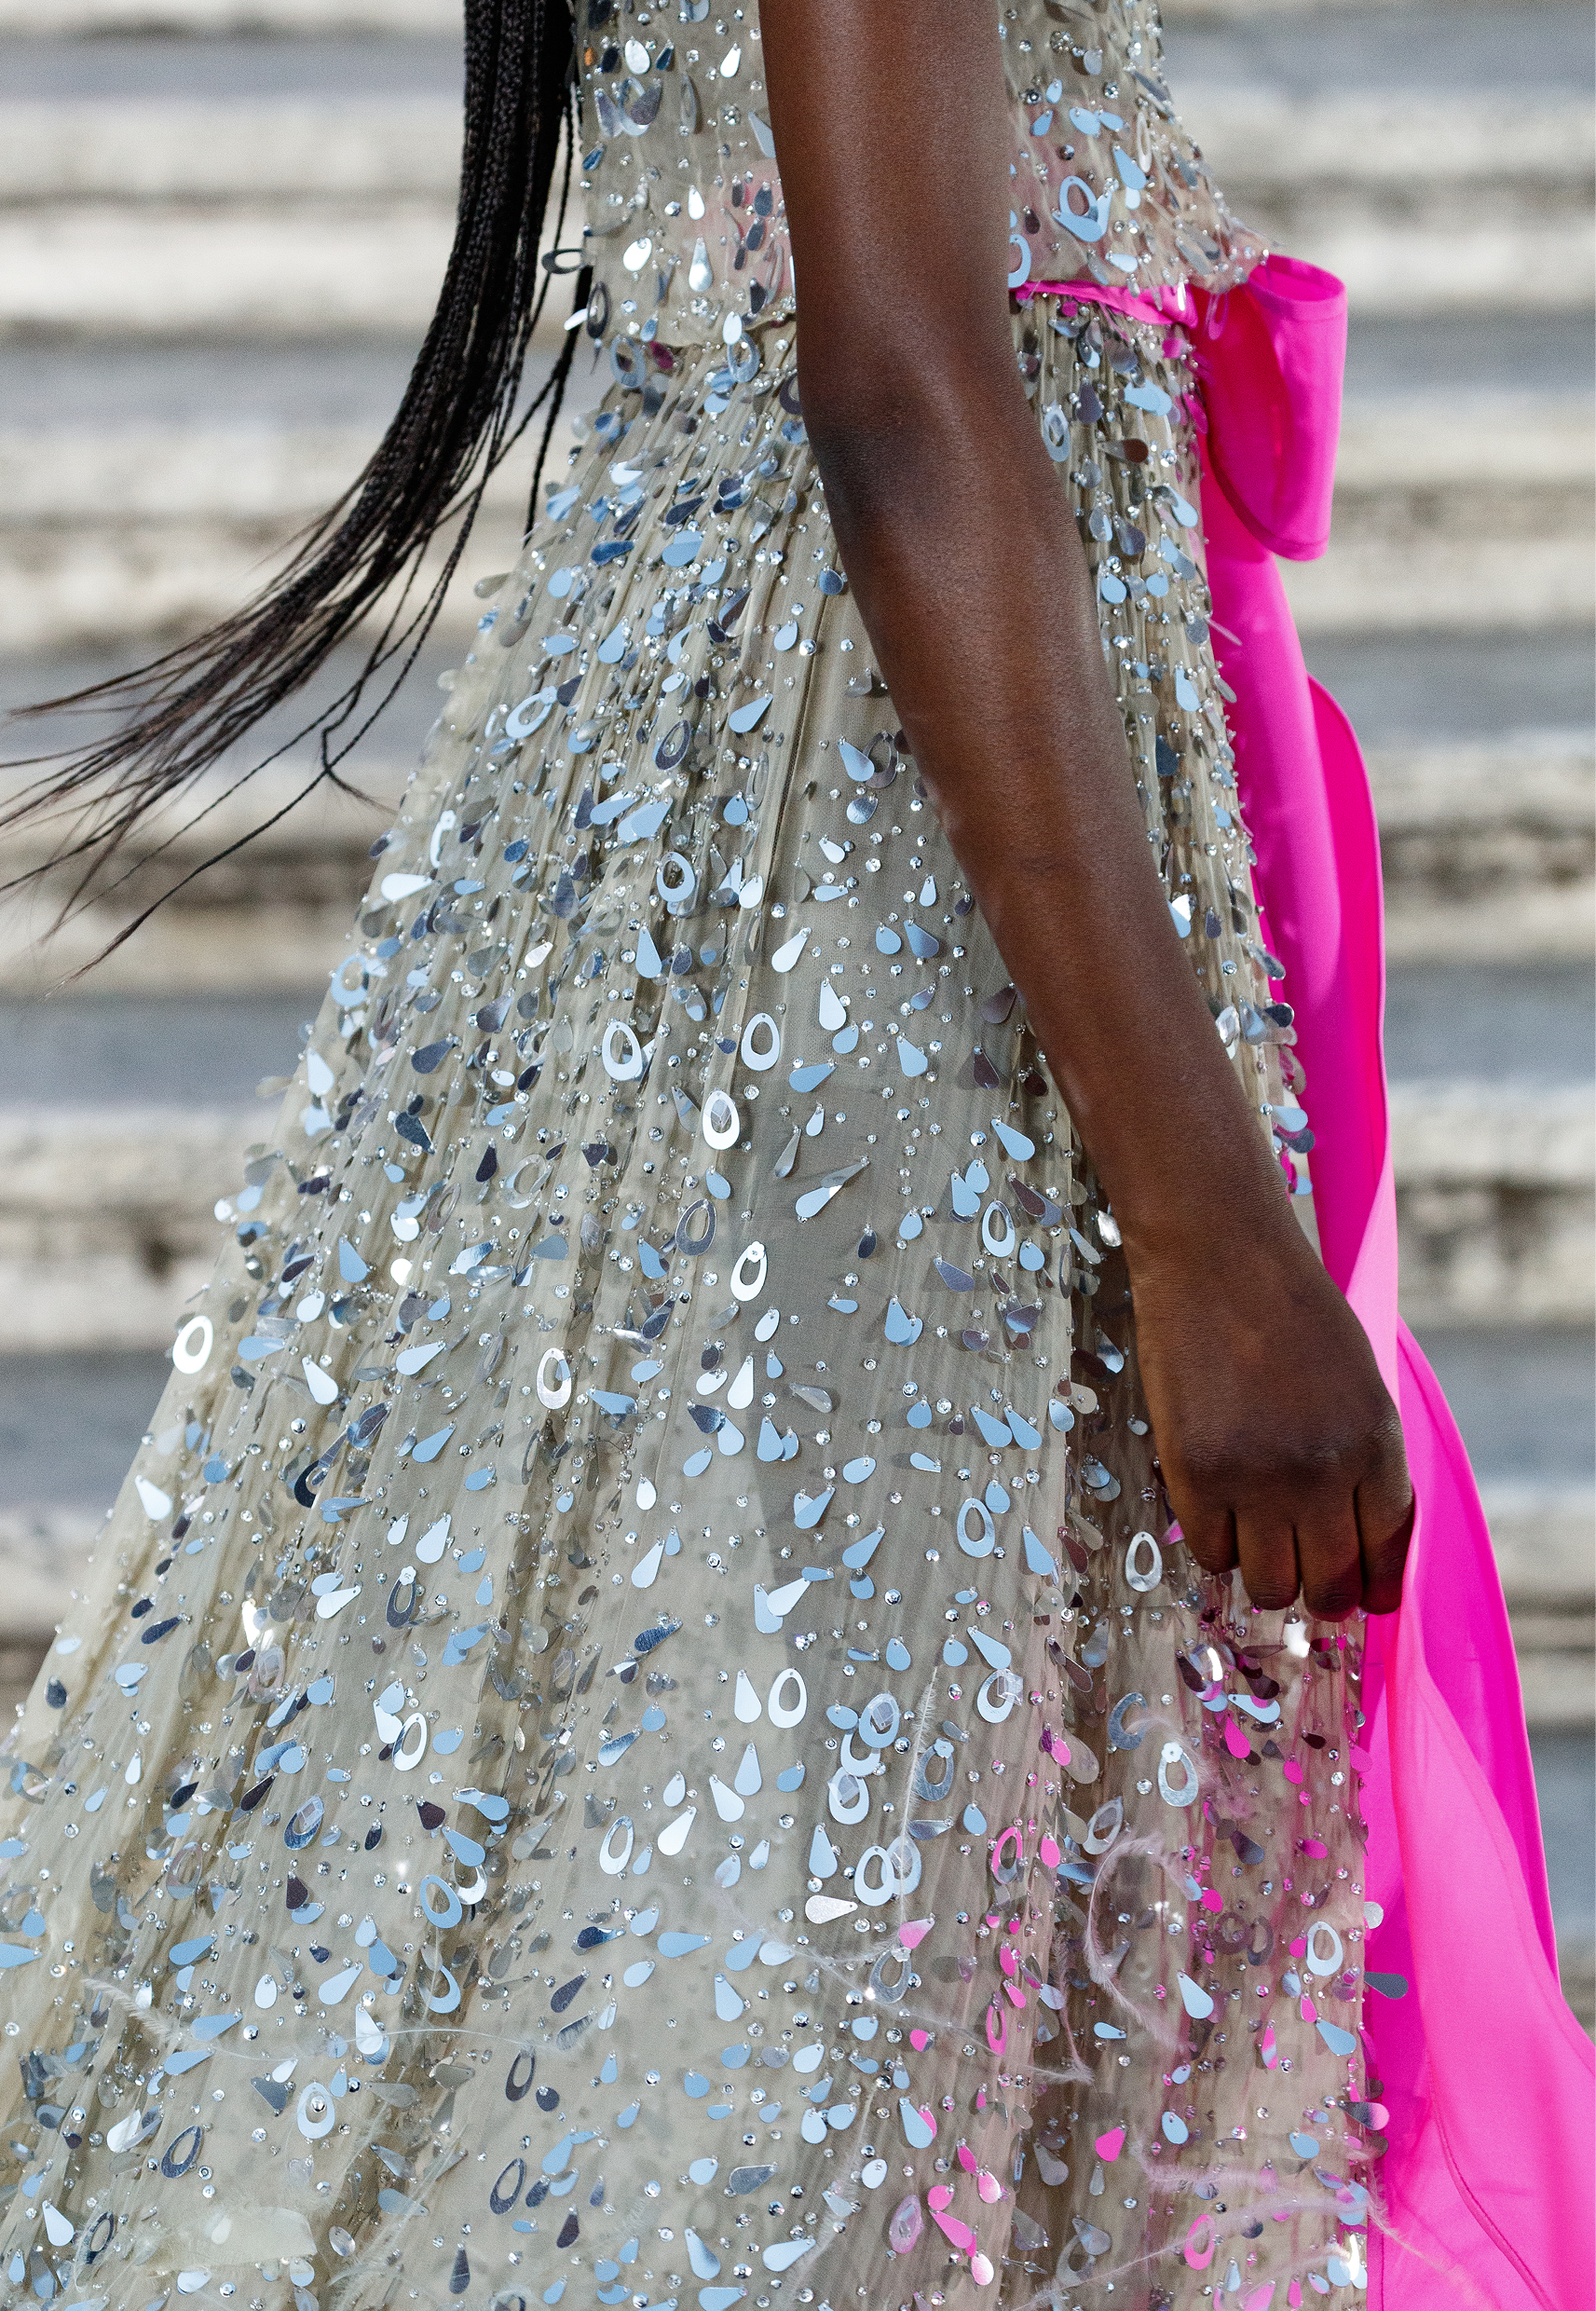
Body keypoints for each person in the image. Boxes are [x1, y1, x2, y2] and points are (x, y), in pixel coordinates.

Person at [0, 2, 1589, 2306]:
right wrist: (1199, 1221)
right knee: (859, 1938)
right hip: (870, 899)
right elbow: (901, 388)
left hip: (888, 827)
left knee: (913, 1928)